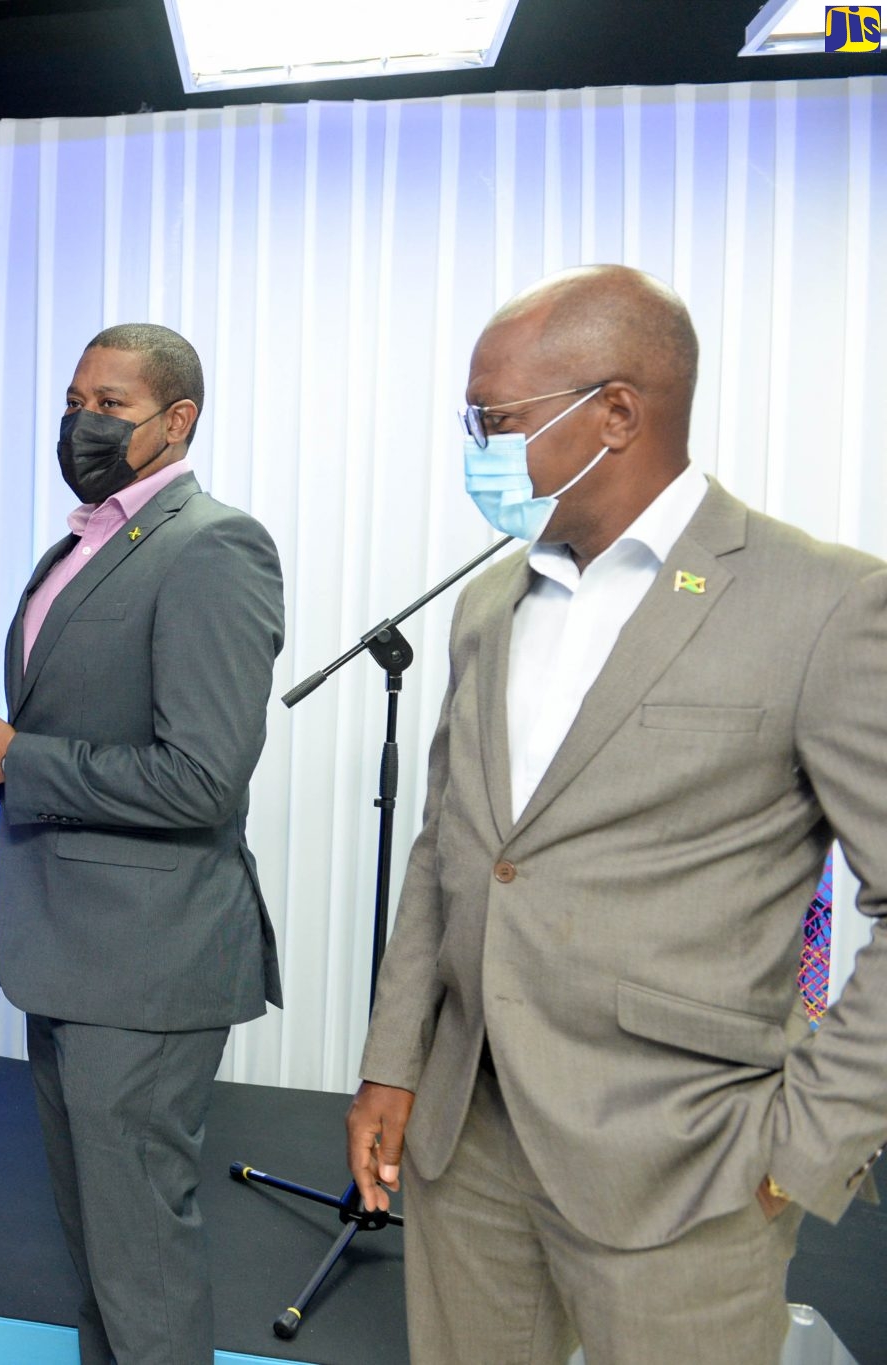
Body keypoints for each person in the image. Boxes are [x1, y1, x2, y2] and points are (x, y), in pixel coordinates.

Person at [346, 264, 887, 1365]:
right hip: (468, 1143)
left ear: (617, 412)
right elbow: (447, 849)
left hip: (686, 1170)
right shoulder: (487, 603)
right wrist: (392, 1064)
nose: (475, 446)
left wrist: (808, 1142)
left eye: (493, 419)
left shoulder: (822, 604)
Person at [0, 323, 285, 1364]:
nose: (80, 422)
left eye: (110, 405)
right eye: (73, 398)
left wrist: (21, 761)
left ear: (176, 422)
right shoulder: (80, 542)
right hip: (70, 957)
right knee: (98, 1259)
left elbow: (202, 779)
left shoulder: (213, 545)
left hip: (147, 964)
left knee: (142, 1270)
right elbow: (88, 728)